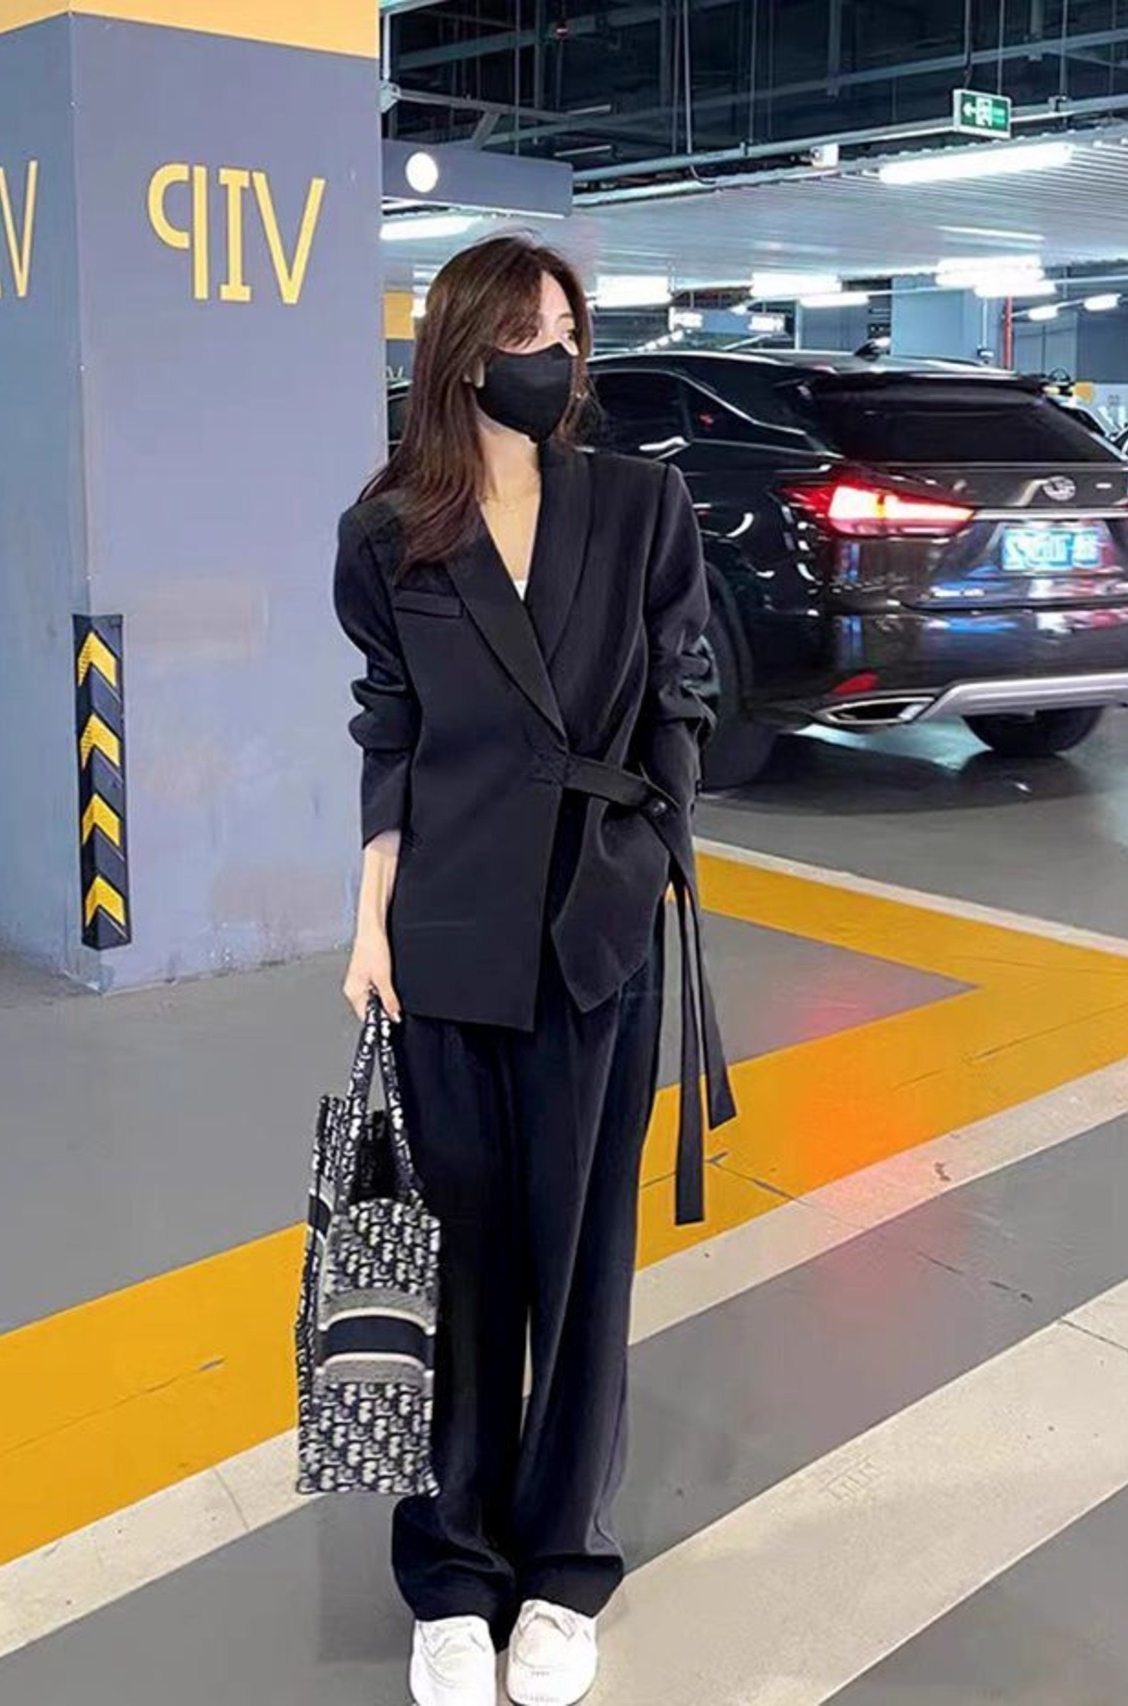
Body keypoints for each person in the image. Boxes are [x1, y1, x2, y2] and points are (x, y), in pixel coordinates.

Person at [333, 235, 734, 1706]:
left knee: (577, 1262)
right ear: (459, 350)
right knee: (457, 1266)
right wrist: (369, 922)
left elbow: (684, 689)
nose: (551, 355)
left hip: (594, 931)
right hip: (445, 927)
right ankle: (451, 1569)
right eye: (521, 331)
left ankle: (563, 1565)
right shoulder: (389, 533)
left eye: (566, 328)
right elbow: (389, 731)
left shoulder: (639, 504)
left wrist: (655, 849)